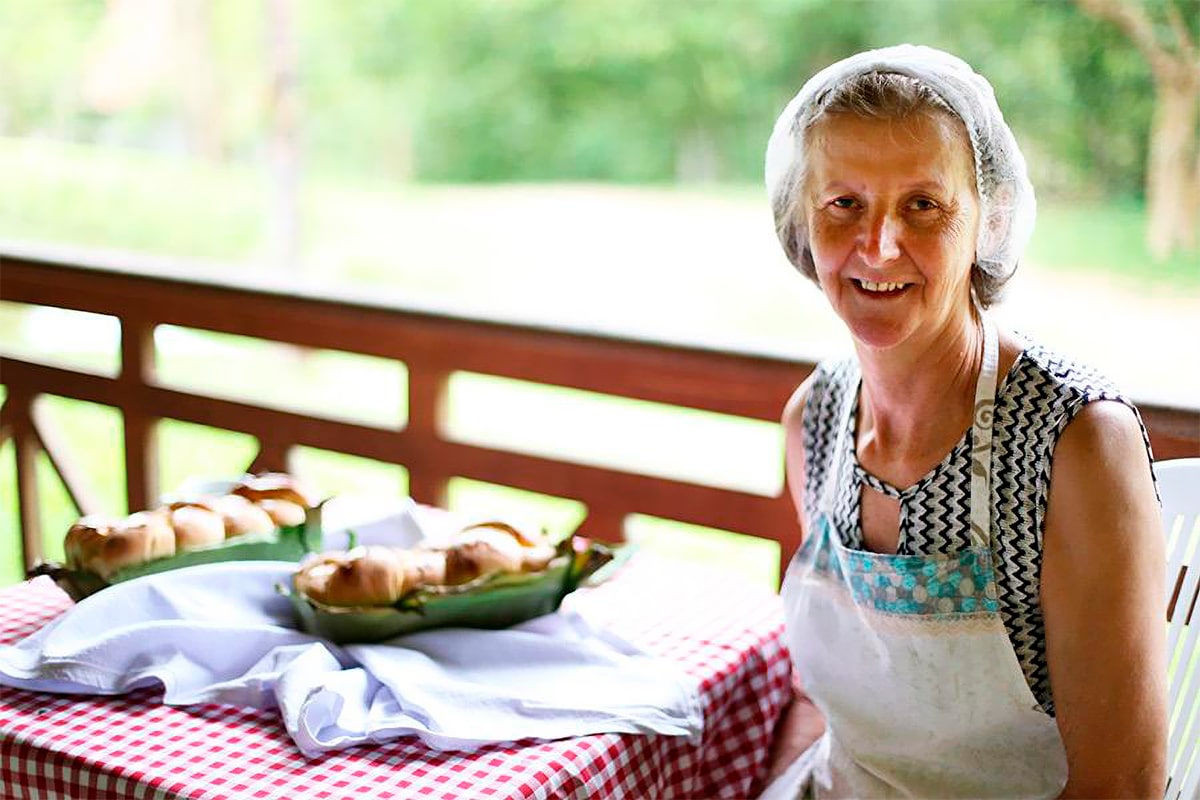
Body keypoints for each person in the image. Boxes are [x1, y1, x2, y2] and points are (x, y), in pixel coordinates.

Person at [757, 44, 1166, 798]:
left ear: (988, 220)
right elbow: (821, 705)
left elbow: (1122, 785)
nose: (879, 246)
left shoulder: (1074, 441)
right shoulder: (811, 421)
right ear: (801, 223)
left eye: (923, 204)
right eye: (843, 203)